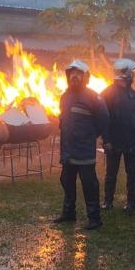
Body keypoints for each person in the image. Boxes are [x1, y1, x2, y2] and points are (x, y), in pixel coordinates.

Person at [53, 59, 109, 230]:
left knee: (89, 184)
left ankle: (94, 218)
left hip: (84, 150)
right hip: (68, 150)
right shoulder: (65, 96)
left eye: (78, 73)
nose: (74, 76)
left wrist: (90, 135)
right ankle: (69, 213)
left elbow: (104, 120)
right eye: (72, 73)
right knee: (66, 181)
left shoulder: (94, 97)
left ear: (85, 77)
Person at [101, 59, 135, 213]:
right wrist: (106, 140)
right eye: (130, 73)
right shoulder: (107, 93)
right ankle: (108, 201)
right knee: (111, 173)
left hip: (131, 141)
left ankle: (131, 203)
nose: (132, 76)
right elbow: (103, 119)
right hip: (114, 140)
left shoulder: (134, 95)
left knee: (132, 173)